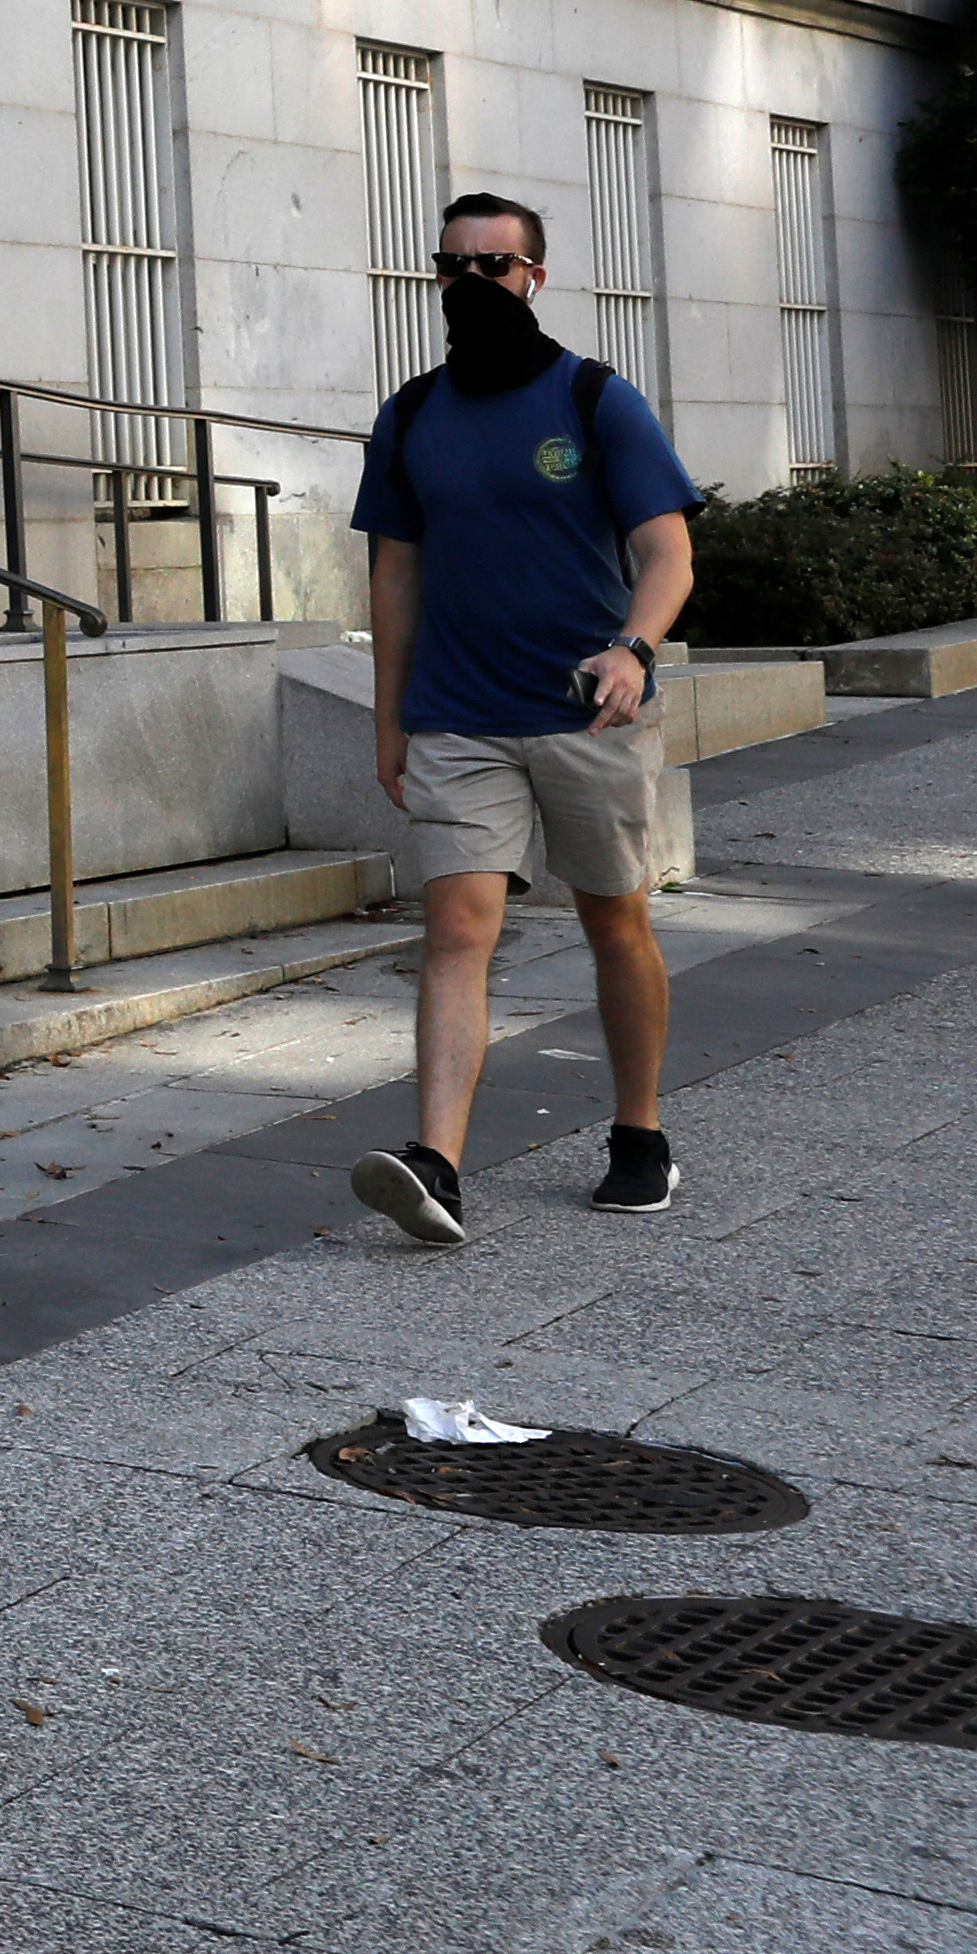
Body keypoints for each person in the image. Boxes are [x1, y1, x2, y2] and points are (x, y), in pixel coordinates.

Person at [346, 192, 701, 1246]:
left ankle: (639, 1133)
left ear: (533, 278)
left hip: (586, 714)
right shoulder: (411, 413)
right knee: (457, 927)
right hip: (459, 715)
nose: (472, 281)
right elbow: (394, 575)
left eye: (493, 265)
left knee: (612, 919)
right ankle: (436, 1166)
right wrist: (389, 719)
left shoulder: (593, 397)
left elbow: (668, 551)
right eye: (453, 264)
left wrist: (632, 649)